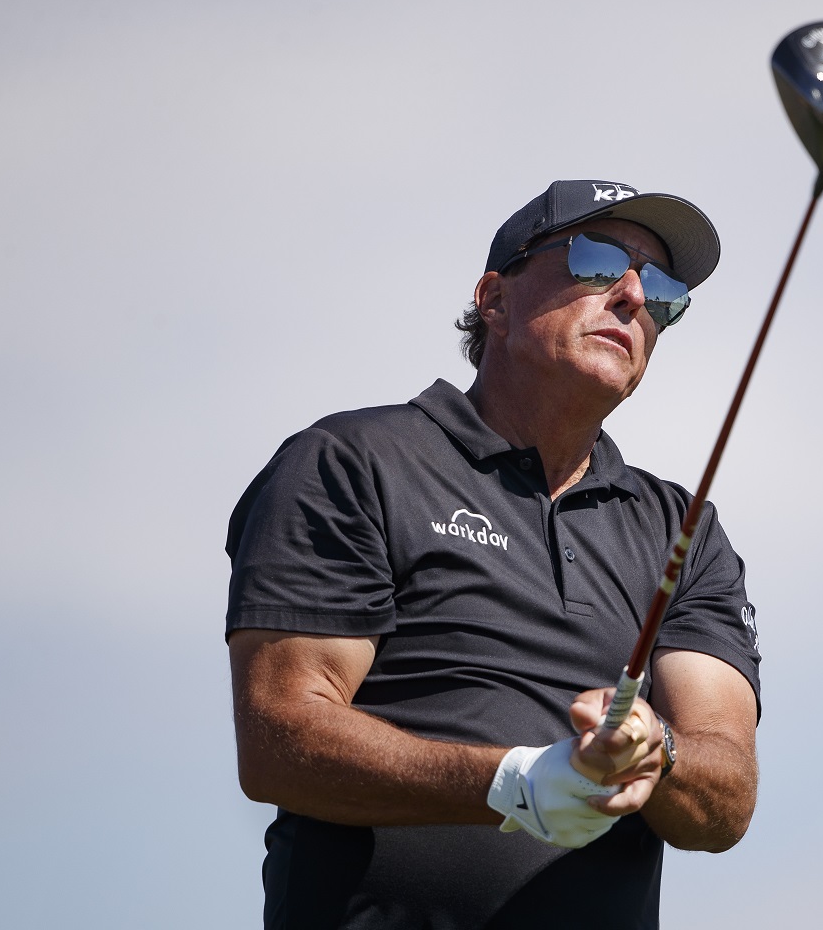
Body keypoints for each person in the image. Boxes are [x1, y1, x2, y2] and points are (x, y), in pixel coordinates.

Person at [225, 179, 762, 930]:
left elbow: (726, 797)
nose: (636, 297)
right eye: (599, 260)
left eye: (664, 287)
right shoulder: (353, 461)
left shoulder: (685, 529)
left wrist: (658, 751)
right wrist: (515, 782)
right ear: (495, 298)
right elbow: (281, 739)